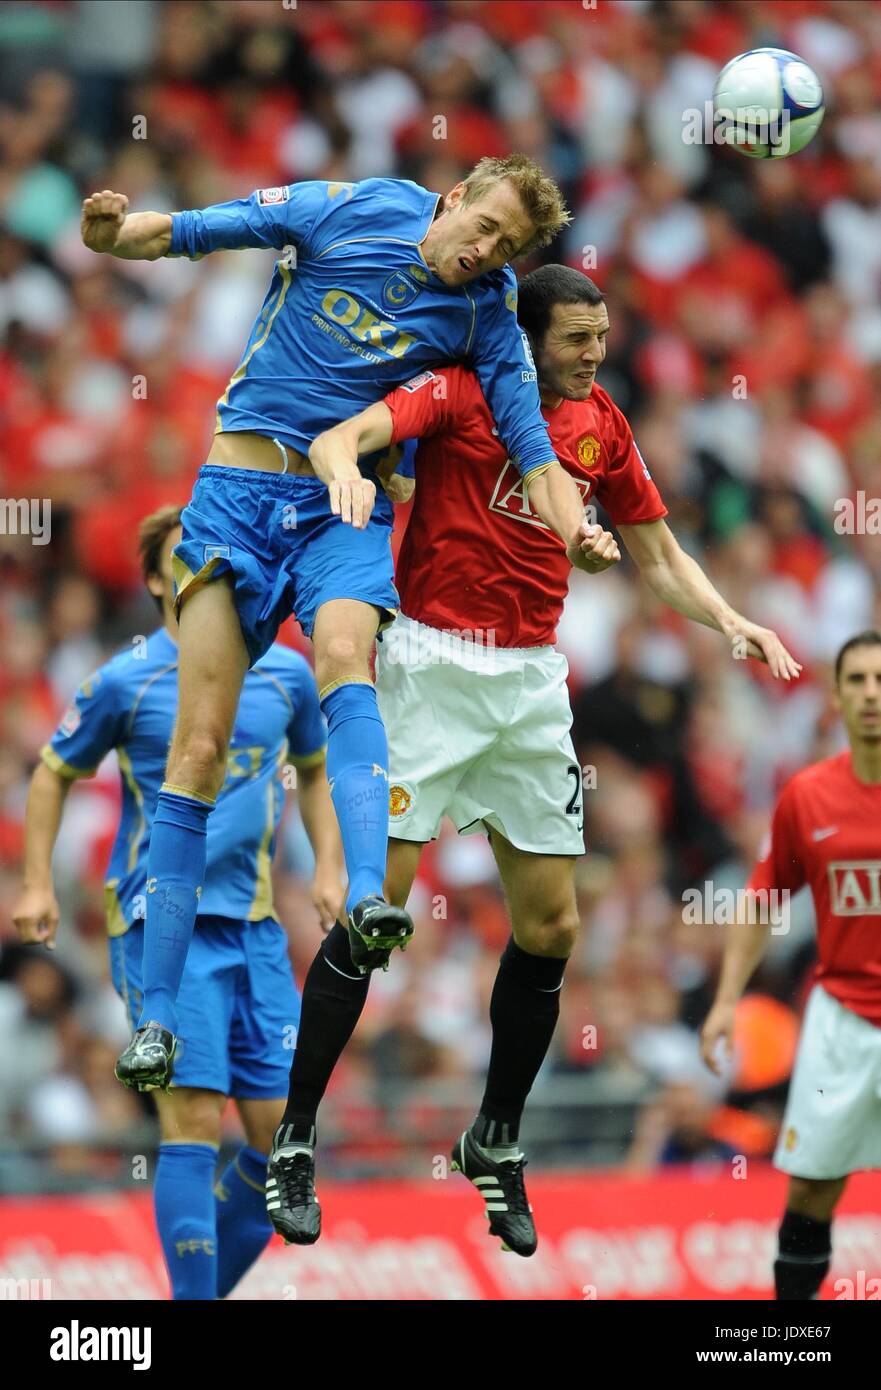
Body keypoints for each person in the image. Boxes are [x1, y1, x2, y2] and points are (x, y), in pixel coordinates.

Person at [266, 264, 801, 1254]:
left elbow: (655, 552)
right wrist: (340, 460)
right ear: (526, 336)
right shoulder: (462, 391)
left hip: (527, 685)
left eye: (601, 335)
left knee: (551, 925)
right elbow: (356, 430)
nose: (593, 351)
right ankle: (295, 1137)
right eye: (574, 337)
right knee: (374, 916)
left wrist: (728, 617)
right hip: (430, 664)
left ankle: (492, 1137)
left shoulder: (600, 424)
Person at [80, 156, 599, 1092]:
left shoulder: (490, 308)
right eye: (482, 226)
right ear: (452, 199)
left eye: (508, 247)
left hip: (341, 508)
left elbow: (531, 446)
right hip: (237, 495)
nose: (486, 252)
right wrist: (114, 236)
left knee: (345, 655)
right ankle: (156, 1017)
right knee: (198, 748)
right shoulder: (348, 208)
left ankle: (368, 894)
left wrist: (579, 530)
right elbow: (195, 228)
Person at [12, 506, 343, 1300]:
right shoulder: (129, 678)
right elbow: (55, 769)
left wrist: (331, 863)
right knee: (192, 1127)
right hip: (165, 932)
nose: (209, 572)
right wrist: (32, 881)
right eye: (186, 559)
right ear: (161, 581)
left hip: (258, 930)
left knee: (281, 1152)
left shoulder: (286, 674)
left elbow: (318, 767)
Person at [702, 630, 881, 1301]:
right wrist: (725, 1001)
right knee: (812, 1187)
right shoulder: (808, 797)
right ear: (835, 696)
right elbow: (758, 902)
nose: (870, 694)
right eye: (856, 680)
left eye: (880, 680)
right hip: (840, 1019)